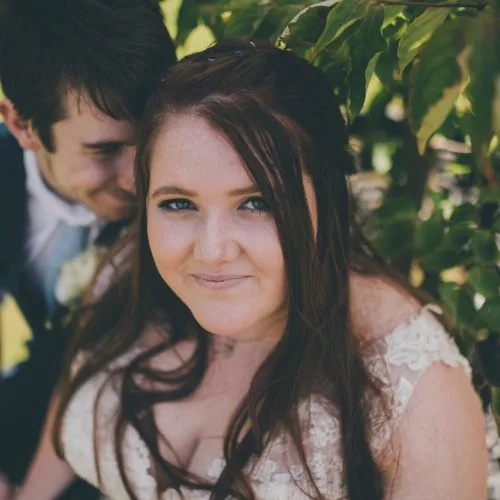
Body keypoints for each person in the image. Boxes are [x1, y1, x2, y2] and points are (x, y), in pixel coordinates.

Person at [19, 41, 487, 499]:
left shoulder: (413, 387)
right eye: (178, 203)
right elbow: (81, 394)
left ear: (324, 198)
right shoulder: (127, 271)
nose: (212, 250)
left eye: (256, 203)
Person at [0, 0, 176, 497]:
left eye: (149, 139)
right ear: (22, 126)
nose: (137, 180)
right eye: (103, 150)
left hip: (149, 427)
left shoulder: (192, 186)